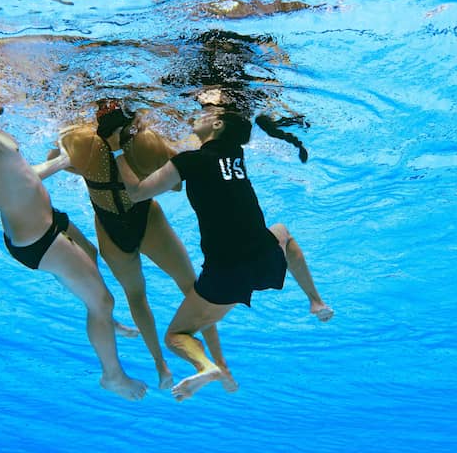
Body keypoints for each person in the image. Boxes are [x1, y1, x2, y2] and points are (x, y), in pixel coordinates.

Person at [104, 105, 334, 401]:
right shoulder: (236, 157)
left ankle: (206, 366)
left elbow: (136, 193)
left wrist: (116, 152)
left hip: (225, 274)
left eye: (205, 112)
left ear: (218, 125)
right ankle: (316, 301)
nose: (197, 114)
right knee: (282, 233)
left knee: (176, 337)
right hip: (262, 258)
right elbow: (209, 157)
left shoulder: (191, 161)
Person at [0, 79, 147, 401]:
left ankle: (105, 320)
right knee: (102, 301)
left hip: (48, 221)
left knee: (90, 253)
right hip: (39, 239)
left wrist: (61, 161)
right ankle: (112, 375)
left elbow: (22, 175)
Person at [51, 99, 235, 391]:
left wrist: (89, 170)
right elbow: (176, 184)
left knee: (136, 296)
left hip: (110, 227)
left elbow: (57, 159)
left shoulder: (81, 140)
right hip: (147, 219)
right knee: (192, 286)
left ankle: (161, 366)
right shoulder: (147, 142)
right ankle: (218, 361)